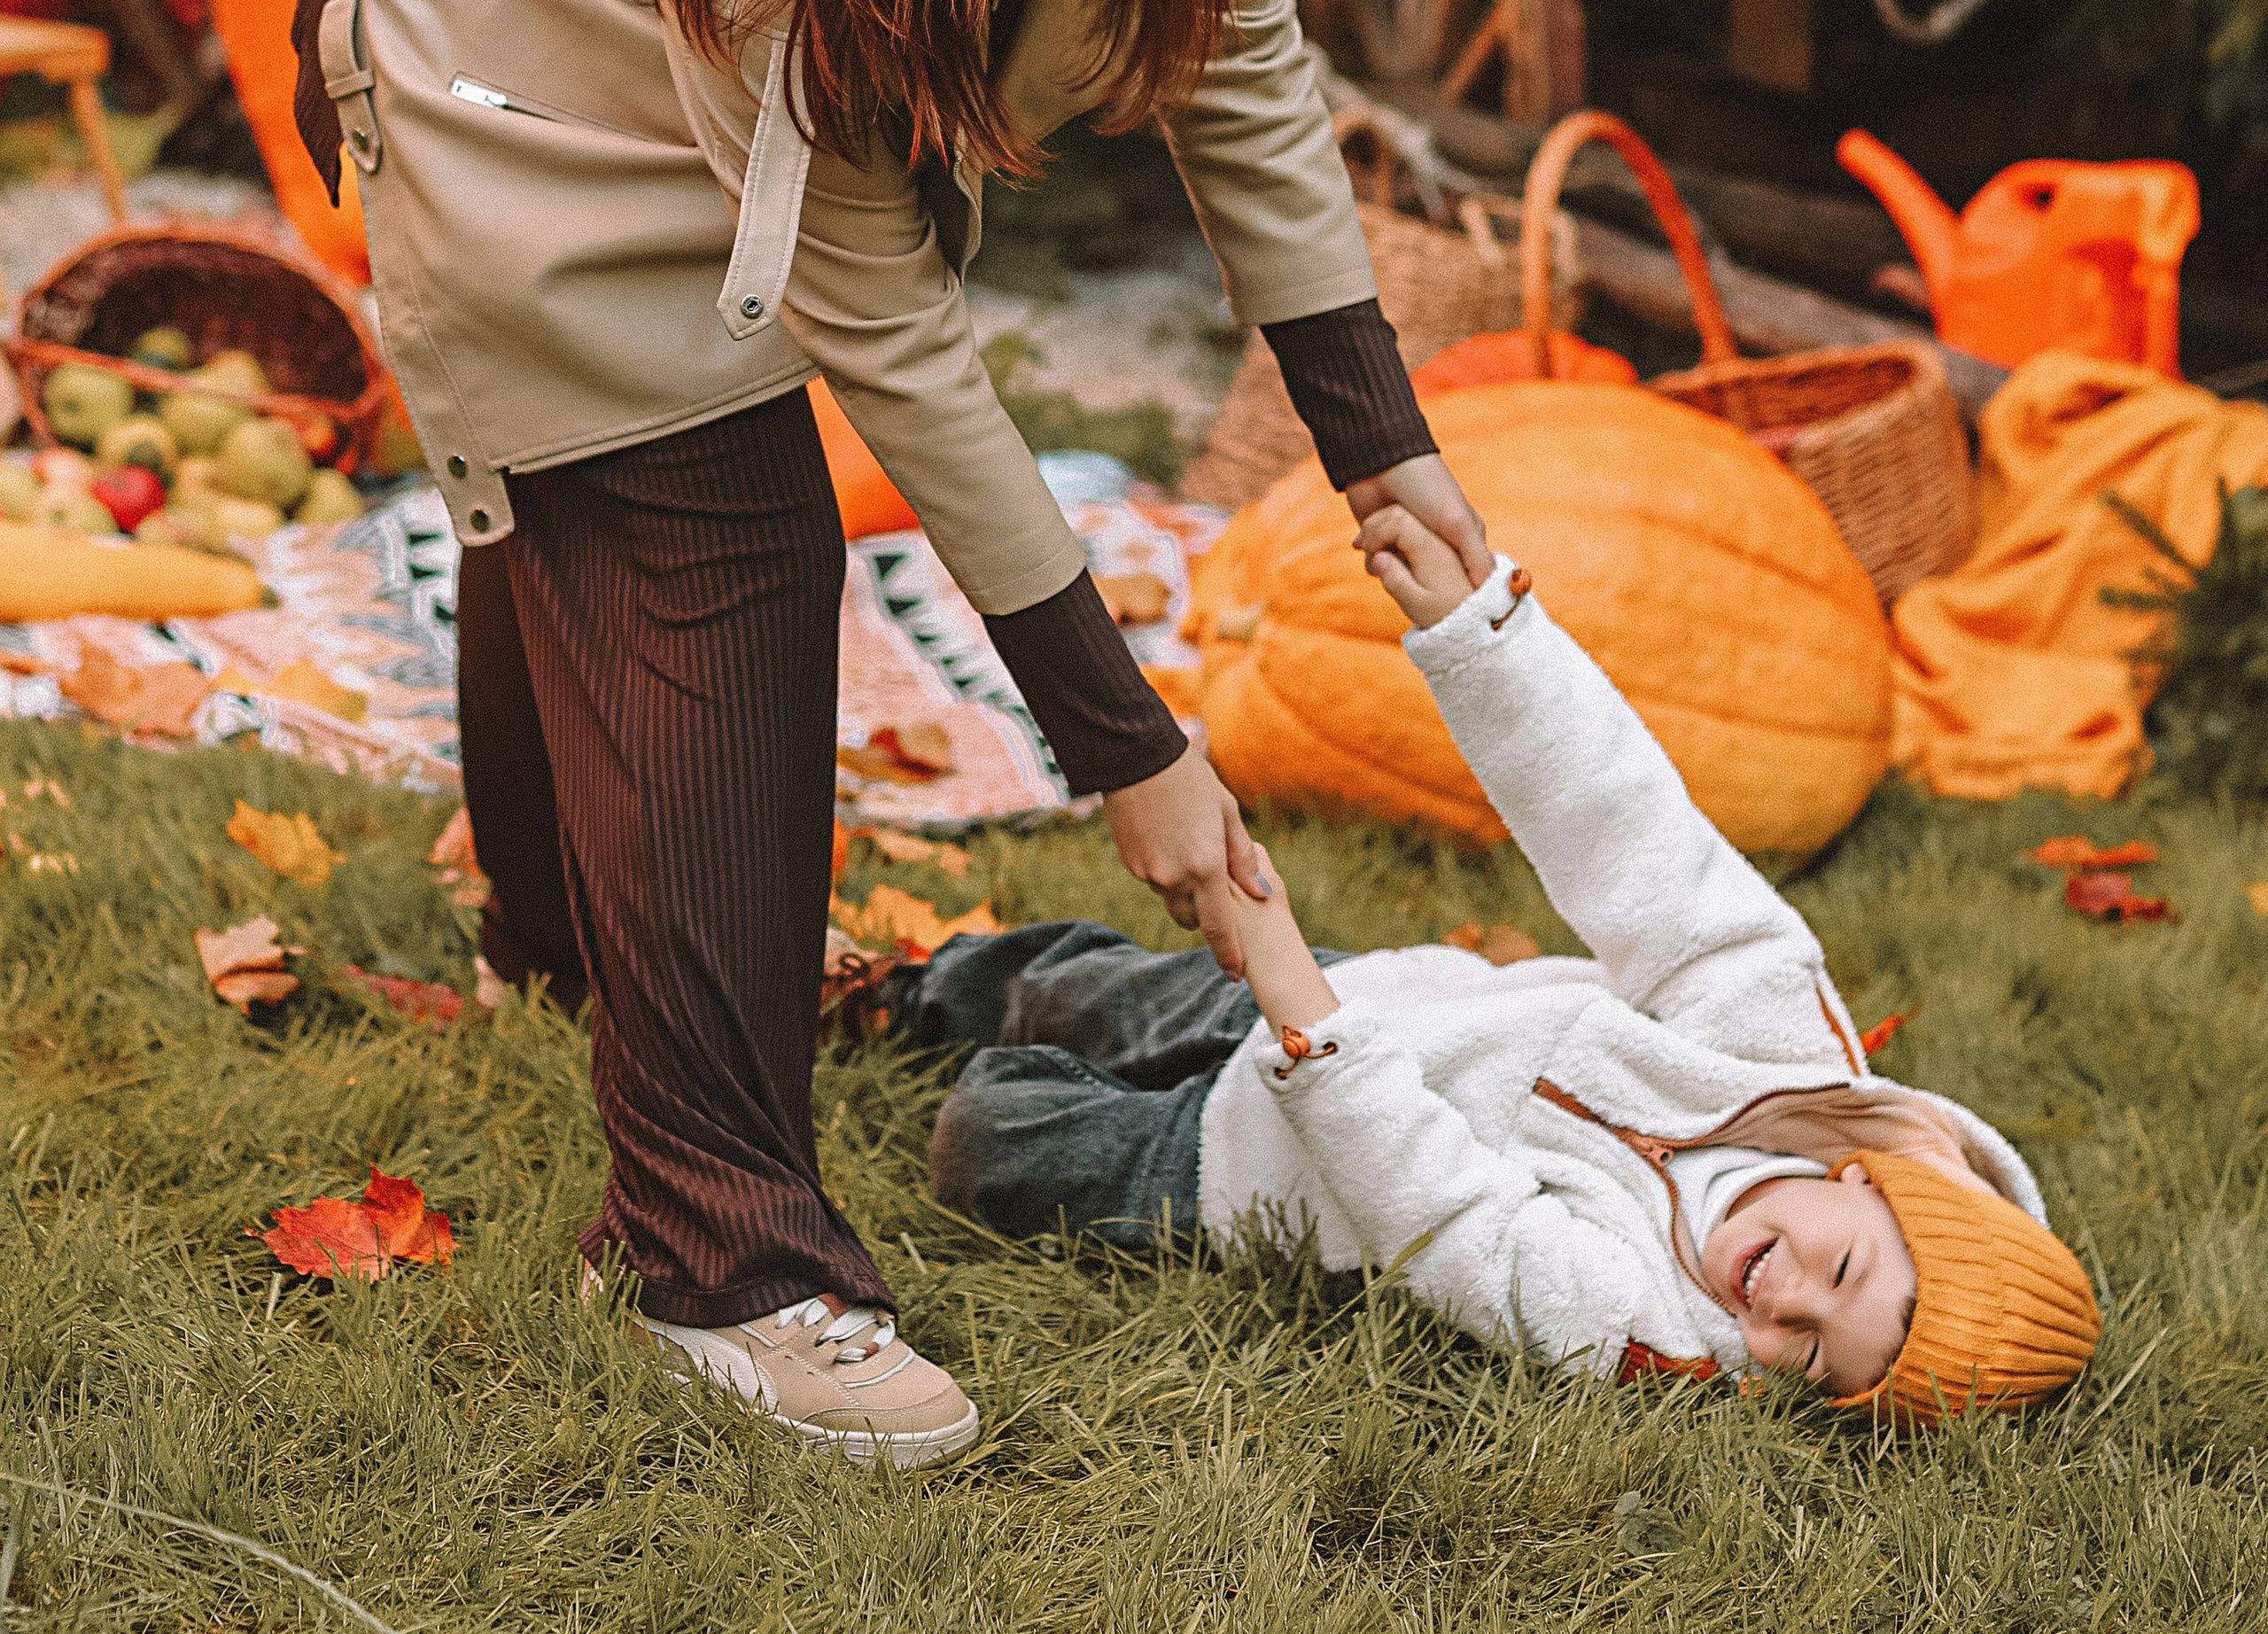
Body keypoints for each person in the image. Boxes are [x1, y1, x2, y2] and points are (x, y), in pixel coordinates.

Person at [290, 0, 1490, 1468]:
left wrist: (1386, 448)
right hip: (486, 6)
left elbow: (1248, 73)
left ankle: (560, 954)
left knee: (593, 487)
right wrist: (1129, 750)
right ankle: (716, 1266)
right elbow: (901, 356)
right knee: (703, 517)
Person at [895, 504, 2103, 1424]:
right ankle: (913, 990)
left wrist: (1293, 999)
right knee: (1070, 989)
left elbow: (1445, 1210)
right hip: (1383, 994)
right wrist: (1483, 637)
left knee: (995, 1149)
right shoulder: (1779, 1042)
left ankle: (1021, 1084)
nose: (1786, 1303)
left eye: (1818, 1361)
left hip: (1262, 1165)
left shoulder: (1643, 1333)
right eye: (1841, 1268)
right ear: (1868, 1180)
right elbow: (1635, 840)